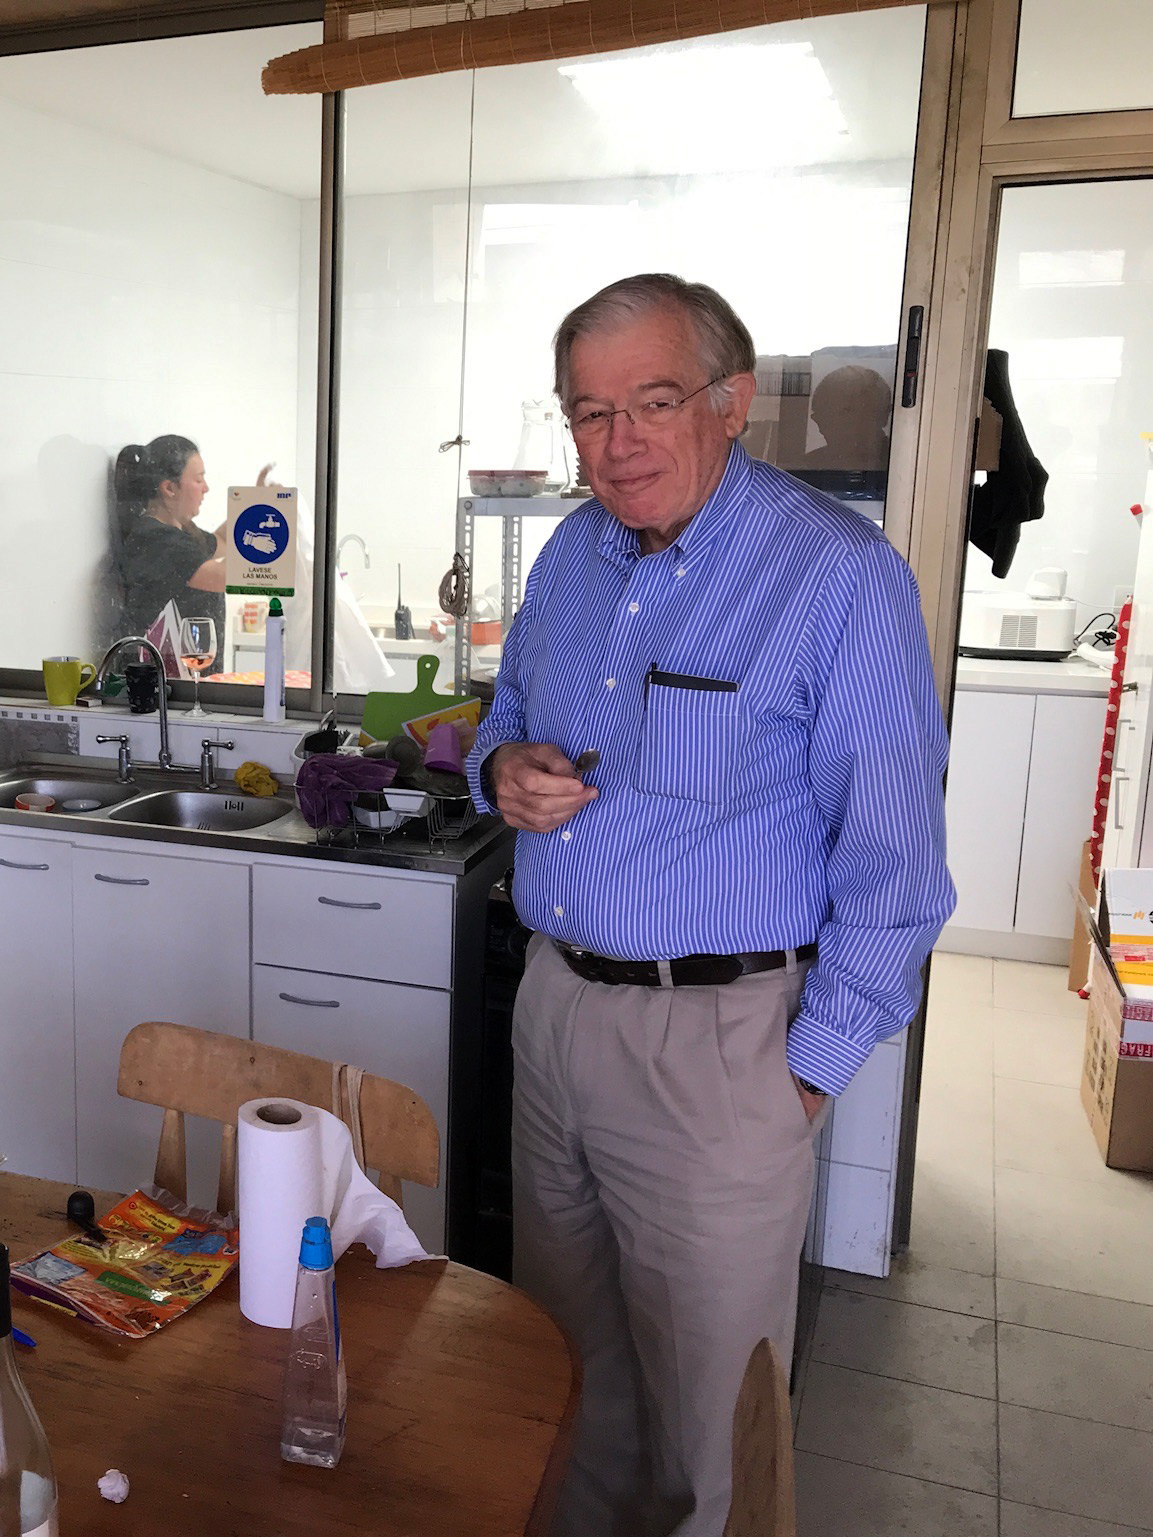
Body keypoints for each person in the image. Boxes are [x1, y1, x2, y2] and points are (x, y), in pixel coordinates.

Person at [467, 274, 954, 1537]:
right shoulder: (574, 552)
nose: (616, 441)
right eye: (587, 411)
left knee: (711, 1417)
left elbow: (896, 864)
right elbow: (508, 721)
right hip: (557, 1010)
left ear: (732, 405)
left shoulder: (838, 580)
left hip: (724, 1046)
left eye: (654, 400)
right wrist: (497, 769)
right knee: (564, 1371)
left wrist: (807, 1073)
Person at [114, 434, 226, 653]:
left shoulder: (182, 533)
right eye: (199, 479)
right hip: (172, 682)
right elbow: (224, 577)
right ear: (170, 488)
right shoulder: (157, 541)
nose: (206, 488)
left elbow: (223, 541)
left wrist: (259, 505)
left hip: (188, 679)